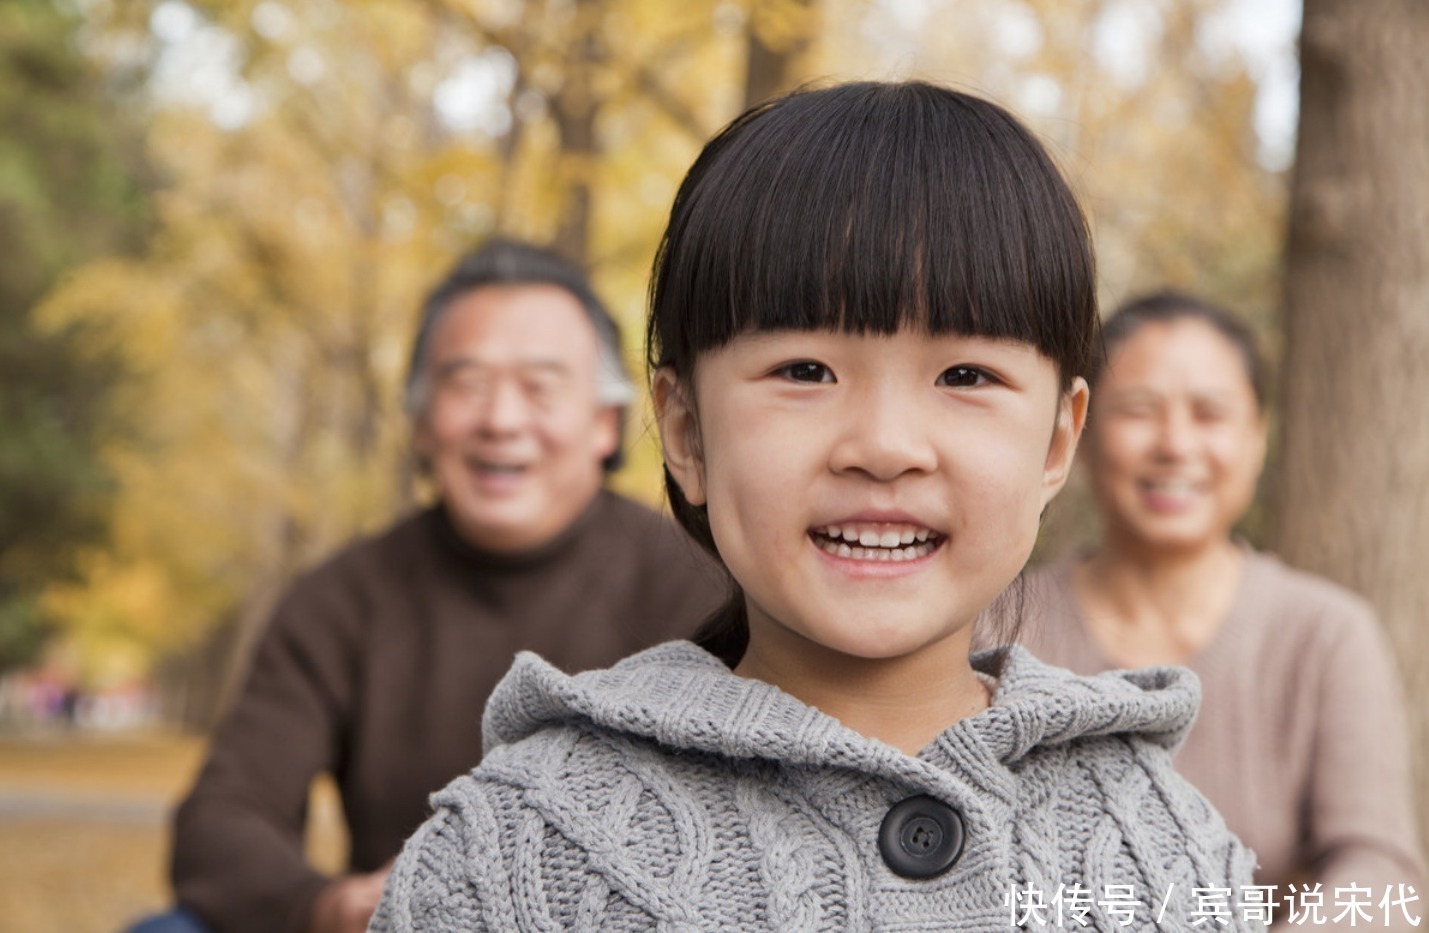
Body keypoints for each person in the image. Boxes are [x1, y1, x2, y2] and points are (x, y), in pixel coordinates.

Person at [369, 81, 1260, 931]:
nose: (883, 446)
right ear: (685, 431)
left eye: (965, 376)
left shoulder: (1167, 851)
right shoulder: (513, 851)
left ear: (1057, 444)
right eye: (805, 371)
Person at [134, 240, 727, 933]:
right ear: (420, 422)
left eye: (540, 387)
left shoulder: (703, 584)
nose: (500, 420)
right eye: (465, 384)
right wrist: (329, 907)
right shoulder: (341, 599)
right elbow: (223, 817)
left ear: (605, 421)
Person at [1014, 291, 1425, 924]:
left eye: (1210, 414)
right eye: (1140, 410)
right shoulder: (998, 625)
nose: (1176, 444)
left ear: (1258, 437)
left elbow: (1377, 866)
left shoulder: (1325, 633)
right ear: (1080, 433)